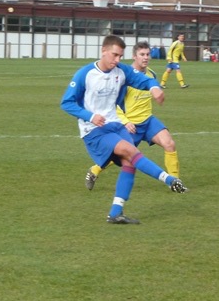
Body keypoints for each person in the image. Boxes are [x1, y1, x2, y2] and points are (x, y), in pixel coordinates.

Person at [61, 35, 188, 224]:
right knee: (131, 151)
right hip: (94, 130)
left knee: (130, 163)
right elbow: (67, 103)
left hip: (115, 126)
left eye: (120, 56)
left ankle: (115, 213)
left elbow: (144, 80)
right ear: (103, 51)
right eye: (114, 55)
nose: (118, 60)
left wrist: (154, 88)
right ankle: (169, 180)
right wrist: (90, 116)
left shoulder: (121, 71)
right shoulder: (85, 74)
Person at [84, 41, 180, 191]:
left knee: (169, 144)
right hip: (130, 125)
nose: (146, 57)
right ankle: (94, 170)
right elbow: (113, 104)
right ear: (134, 56)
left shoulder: (151, 75)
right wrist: (125, 121)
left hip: (148, 121)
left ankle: (175, 181)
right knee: (120, 155)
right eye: (142, 54)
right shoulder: (124, 77)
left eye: (148, 54)